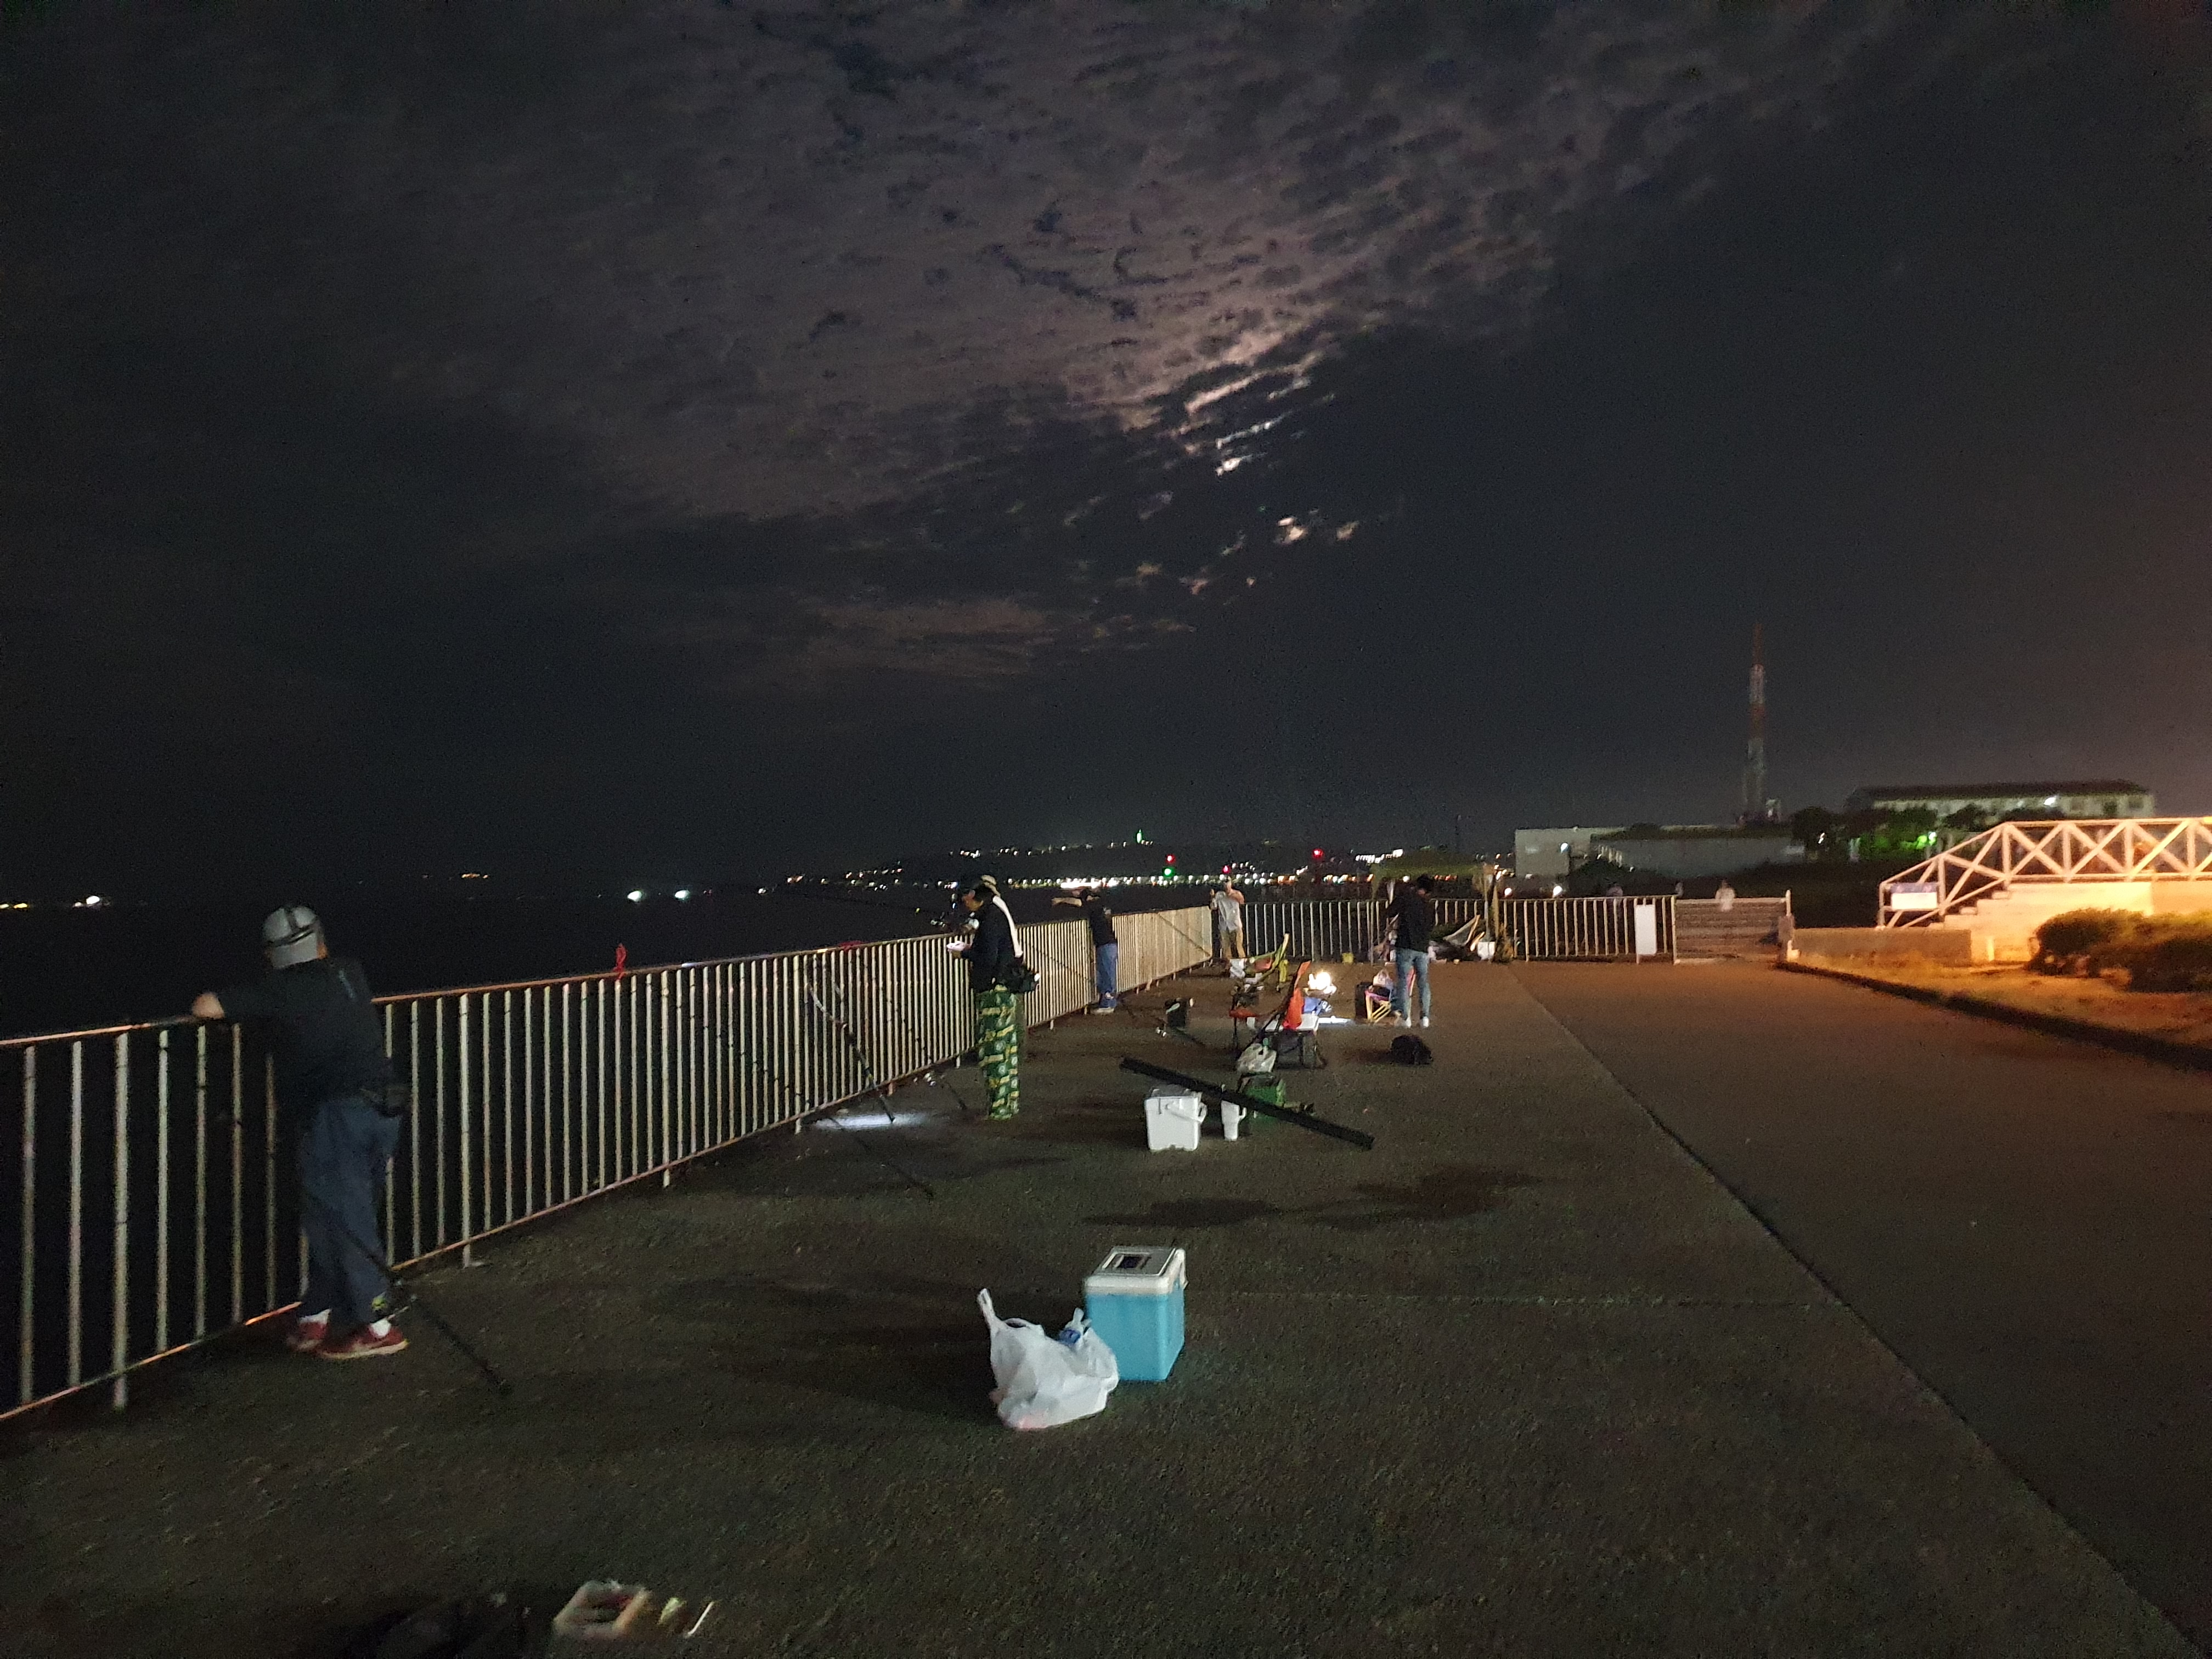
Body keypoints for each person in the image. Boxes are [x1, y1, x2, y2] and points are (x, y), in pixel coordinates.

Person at [191, 906, 405, 1360]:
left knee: (346, 1217)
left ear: (273, 956)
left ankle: (379, 1323)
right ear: (320, 943)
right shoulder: (350, 972)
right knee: (333, 1212)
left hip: (336, 1116)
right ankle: (317, 1313)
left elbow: (206, 1006)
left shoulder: (280, 991)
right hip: (384, 1105)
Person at [955, 877, 1025, 1119]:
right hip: (1006, 989)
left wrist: (964, 952)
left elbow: (988, 957)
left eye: (966, 900)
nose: (965, 904)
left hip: (994, 993)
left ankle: (998, 1110)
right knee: (1007, 1050)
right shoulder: (995, 913)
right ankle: (1008, 1105)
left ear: (975, 897)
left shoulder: (990, 919)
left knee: (993, 1053)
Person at [1052, 886, 1119, 1012]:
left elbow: (1078, 903)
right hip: (1111, 943)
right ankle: (1109, 1002)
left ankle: (1107, 1005)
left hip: (1104, 944)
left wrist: (1061, 900)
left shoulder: (1093, 904)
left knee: (1106, 975)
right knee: (1109, 974)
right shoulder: (1103, 903)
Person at [1386, 873, 1436, 1029]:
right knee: (1423, 983)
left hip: (1405, 946)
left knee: (1403, 982)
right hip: (1422, 948)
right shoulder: (1429, 905)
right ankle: (1425, 1018)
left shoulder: (1406, 897)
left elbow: (1389, 912)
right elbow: (1431, 926)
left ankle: (1406, 1018)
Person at [1211, 882, 1246, 963]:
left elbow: (1242, 901)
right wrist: (1213, 897)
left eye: (1228, 884)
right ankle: (1229, 966)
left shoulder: (1236, 893)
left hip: (1235, 924)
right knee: (1226, 947)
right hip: (1224, 925)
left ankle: (1242, 965)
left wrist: (1231, 894)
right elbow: (1214, 907)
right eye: (1225, 884)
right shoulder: (1219, 895)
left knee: (1238, 946)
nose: (1226, 886)